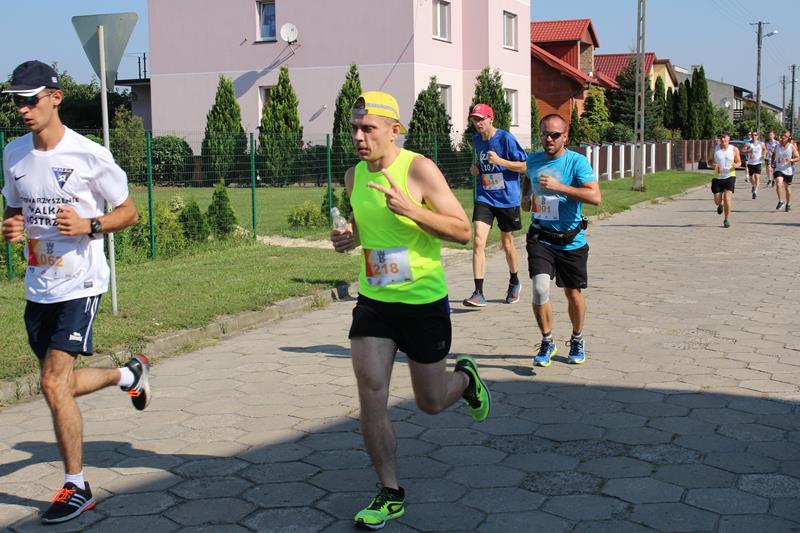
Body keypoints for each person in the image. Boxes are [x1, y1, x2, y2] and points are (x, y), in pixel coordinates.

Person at [330, 91, 490, 530]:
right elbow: (367, 228)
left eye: (368, 129)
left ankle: (466, 379)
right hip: (375, 301)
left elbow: (462, 231)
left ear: (394, 131)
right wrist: (350, 238)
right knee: (370, 389)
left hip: (423, 302)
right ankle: (390, 492)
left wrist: (411, 210)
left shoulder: (418, 169)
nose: (359, 137)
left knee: (430, 402)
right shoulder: (354, 175)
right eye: (354, 129)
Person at [1, 60, 146, 524]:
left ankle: (76, 486)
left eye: (30, 100)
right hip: (38, 284)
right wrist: (12, 227)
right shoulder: (14, 154)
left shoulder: (89, 155)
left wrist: (90, 225)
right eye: (16, 102)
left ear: (55, 98)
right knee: (58, 383)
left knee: (51, 383)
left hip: (81, 282)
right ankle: (128, 375)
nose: (23, 110)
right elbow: (15, 209)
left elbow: (129, 212)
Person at [522, 114, 601, 368]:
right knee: (539, 289)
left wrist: (560, 187)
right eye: (545, 134)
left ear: (565, 137)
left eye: (555, 135)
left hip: (570, 240)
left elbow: (595, 197)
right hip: (540, 237)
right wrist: (525, 196)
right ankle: (547, 341)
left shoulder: (577, 162)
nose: (549, 139)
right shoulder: (533, 160)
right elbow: (527, 177)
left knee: (572, 293)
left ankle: (577, 338)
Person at [463, 103, 527, 307]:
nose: (478, 123)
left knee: (507, 243)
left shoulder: (506, 138)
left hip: (507, 198)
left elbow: (525, 166)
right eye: (475, 119)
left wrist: (501, 161)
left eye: (481, 119)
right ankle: (478, 292)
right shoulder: (476, 140)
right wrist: (476, 169)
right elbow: (483, 164)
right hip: (485, 197)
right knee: (478, 240)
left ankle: (514, 281)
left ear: (491, 119)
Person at [707, 131, 741, 228]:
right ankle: (720, 204)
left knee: (727, 198)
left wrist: (735, 165)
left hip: (730, 176)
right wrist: (714, 166)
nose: (722, 139)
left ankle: (726, 219)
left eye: (724, 137)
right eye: (721, 137)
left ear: (728, 138)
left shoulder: (734, 149)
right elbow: (709, 161)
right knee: (717, 201)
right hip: (717, 178)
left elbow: (739, 162)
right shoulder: (714, 149)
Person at [773, 130, 799, 212]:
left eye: (785, 136)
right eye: (782, 135)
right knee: (778, 183)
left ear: (788, 138)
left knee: (787, 188)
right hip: (779, 169)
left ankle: (788, 204)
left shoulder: (791, 146)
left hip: (788, 170)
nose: (783, 137)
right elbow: (773, 154)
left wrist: (791, 160)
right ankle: (780, 201)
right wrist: (772, 162)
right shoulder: (777, 146)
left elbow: (798, 157)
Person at [744, 131, 765, 199]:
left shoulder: (761, 143)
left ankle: (755, 192)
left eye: (755, 135)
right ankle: (753, 185)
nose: (754, 136)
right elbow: (743, 150)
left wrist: (763, 155)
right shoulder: (748, 143)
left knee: (757, 177)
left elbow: (765, 149)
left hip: (758, 162)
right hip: (751, 163)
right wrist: (748, 151)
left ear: (757, 136)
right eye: (753, 135)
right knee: (751, 178)